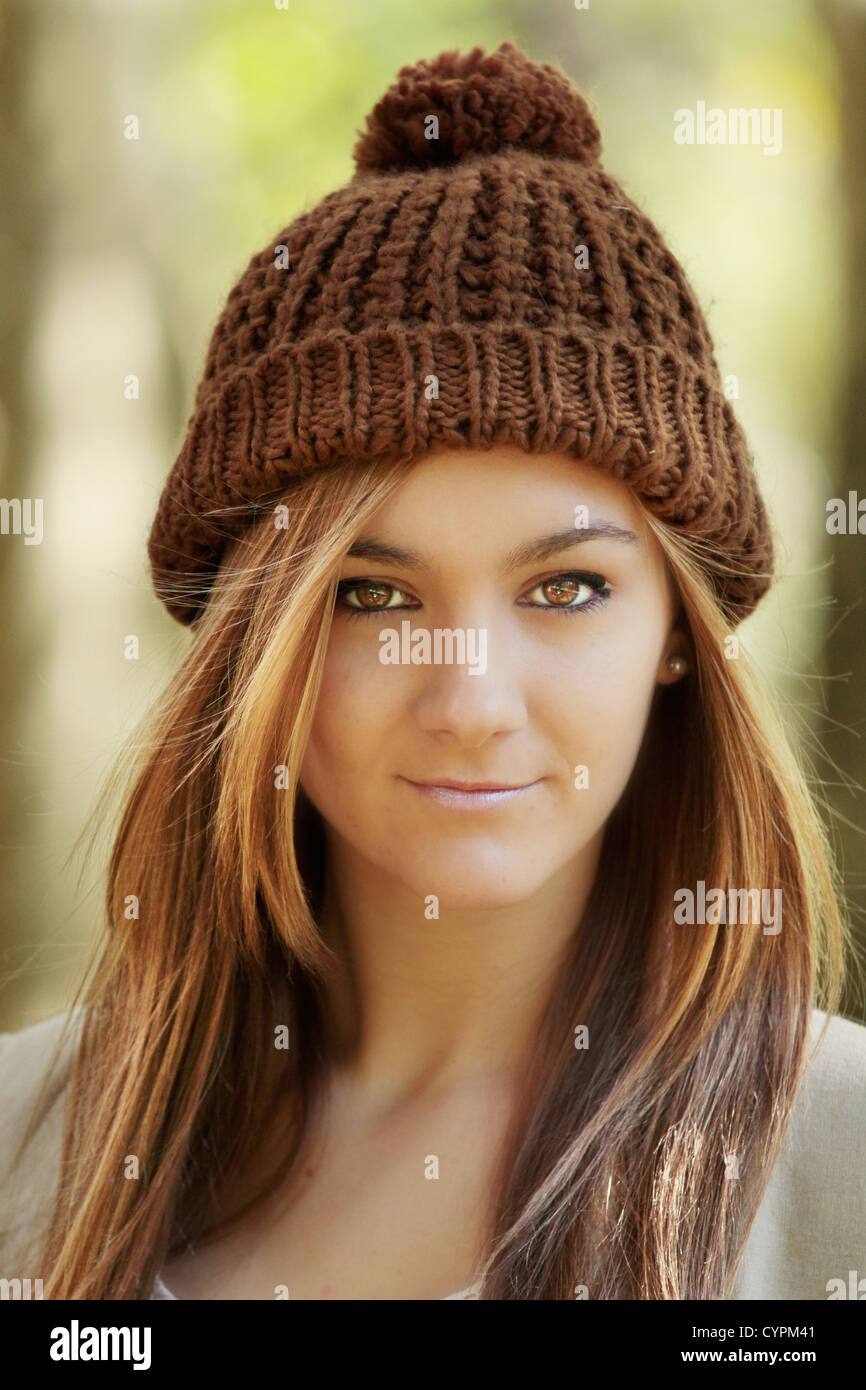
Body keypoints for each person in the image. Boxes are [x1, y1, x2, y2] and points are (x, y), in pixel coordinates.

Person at [1, 41, 864, 1302]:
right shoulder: (28, 1139)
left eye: (564, 588)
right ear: (256, 638)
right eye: (371, 595)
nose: (467, 700)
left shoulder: (837, 1160)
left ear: (677, 631)